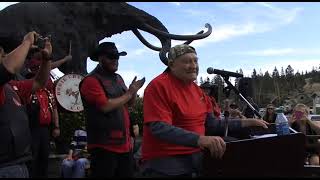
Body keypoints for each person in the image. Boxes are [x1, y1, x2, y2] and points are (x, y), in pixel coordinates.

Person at [141, 44, 269, 177]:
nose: (193, 66)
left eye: (195, 61)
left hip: (196, 155)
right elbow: (159, 127)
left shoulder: (198, 92)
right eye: (187, 61)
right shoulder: (158, 86)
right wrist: (200, 139)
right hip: (166, 161)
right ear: (172, 65)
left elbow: (212, 124)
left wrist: (248, 122)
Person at [79, 42, 145, 178]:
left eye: (117, 57)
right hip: (104, 147)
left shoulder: (119, 78)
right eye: (111, 57)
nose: (115, 60)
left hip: (124, 145)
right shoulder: (91, 80)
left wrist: (133, 92)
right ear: (100, 58)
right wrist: (129, 93)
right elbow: (105, 106)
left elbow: (129, 104)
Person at [0, 31, 52, 178]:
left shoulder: (12, 86)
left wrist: (46, 59)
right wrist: (27, 42)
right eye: (2, 53)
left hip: (19, 164)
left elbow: (39, 82)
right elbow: (8, 68)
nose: (4, 56)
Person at [21, 41, 61, 178]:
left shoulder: (48, 92)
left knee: (44, 159)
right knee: (32, 160)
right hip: (32, 129)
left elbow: (54, 108)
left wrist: (56, 126)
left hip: (45, 130)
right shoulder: (27, 90)